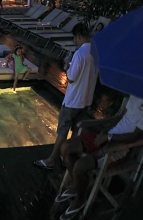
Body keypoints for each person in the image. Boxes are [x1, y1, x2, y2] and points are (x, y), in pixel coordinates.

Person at [55, 95, 143, 219]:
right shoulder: (136, 93)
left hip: (120, 147)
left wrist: (108, 138)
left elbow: (135, 137)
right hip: (108, 135)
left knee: (80, 165)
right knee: (65, 147)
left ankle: (80, 199)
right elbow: (121, 116)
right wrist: (105, 131)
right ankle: (78, 184)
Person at [34, 24, 98, 170]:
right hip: (86, 100)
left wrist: (67, 65)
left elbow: (71, 78)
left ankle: (51, 160)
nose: (75, 41)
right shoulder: (96, 53)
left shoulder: (80, 54)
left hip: (73, 100)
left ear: (79, 36)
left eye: (75, 38)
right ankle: (66, 157)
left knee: (62, 131)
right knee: (76, 132)